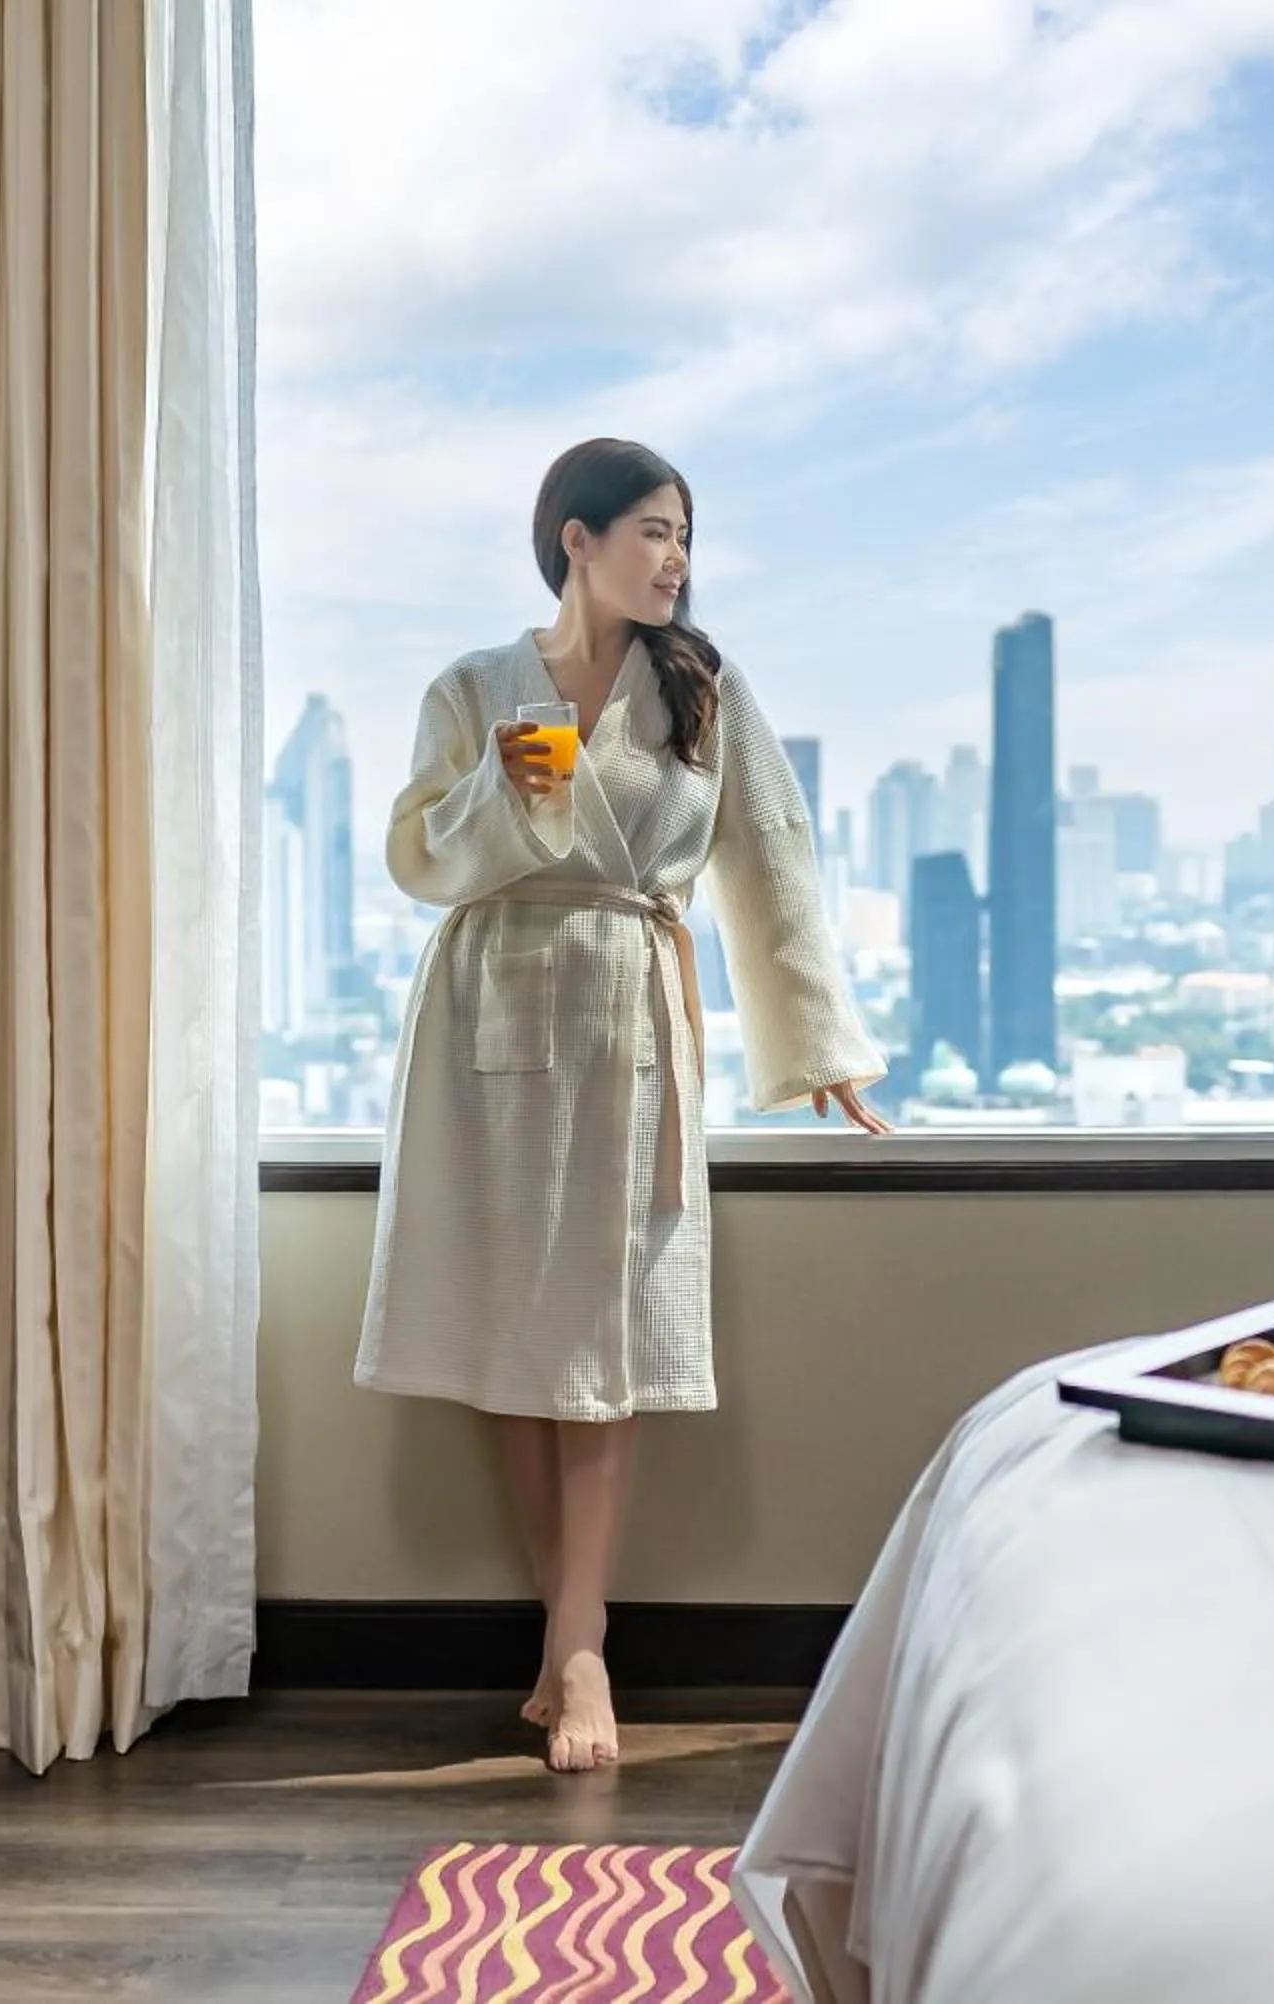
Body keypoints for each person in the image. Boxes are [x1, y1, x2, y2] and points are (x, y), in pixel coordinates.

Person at [353, 437, 889, 1773]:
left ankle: (579, 1646)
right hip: (486, 1019)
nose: (678, 559)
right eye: (653, 530)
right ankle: (563, 1632)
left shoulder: (700, 690)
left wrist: (817, 1044)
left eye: (686, 535)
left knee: (603, 1347)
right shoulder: (473, 685)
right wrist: (510, 782)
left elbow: (770, 857)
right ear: (575, 539)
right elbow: (423, 857)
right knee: (513, 1347)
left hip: (629, 1017)